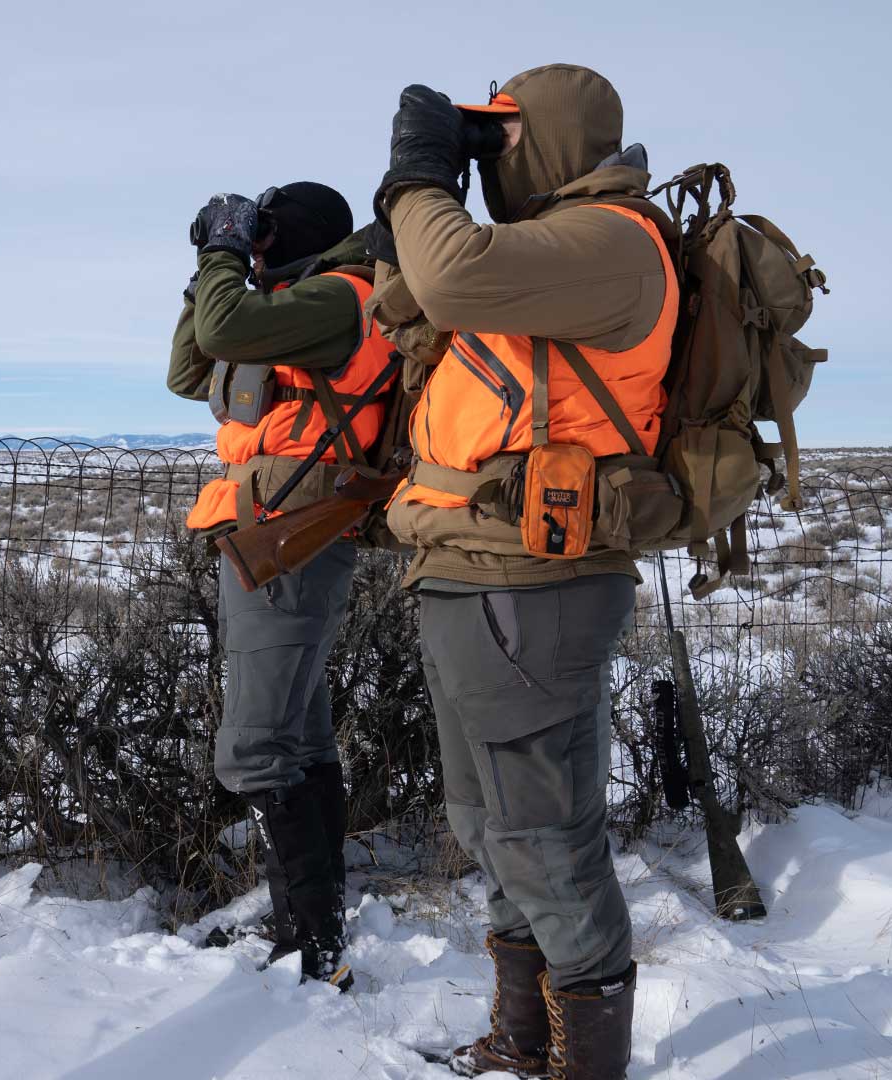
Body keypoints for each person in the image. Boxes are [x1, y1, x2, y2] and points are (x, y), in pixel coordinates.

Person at [370, 65, 678, 1079]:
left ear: (547, 141)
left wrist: (419, 177)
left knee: (546, 840)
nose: (490, 159)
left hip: (530, 588)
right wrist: (416, 203)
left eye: (502, 141)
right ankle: (522, 1044)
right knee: (492, 827)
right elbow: (413, 296)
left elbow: (448, 276)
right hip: (470, 570)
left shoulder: (611, 241)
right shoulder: (538, 254)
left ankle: (586, 1064)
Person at [167, 181, 400, 991]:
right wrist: (212, 271)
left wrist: (224, 256)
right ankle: (312, 927)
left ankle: (309, 948)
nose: (249, 245)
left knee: (260, 749)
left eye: (258, 233)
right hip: (272, 531)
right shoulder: (291, 310)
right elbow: (189, 366)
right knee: (297, 741)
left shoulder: (340, 299)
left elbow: (228, 327)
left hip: (290, 534)